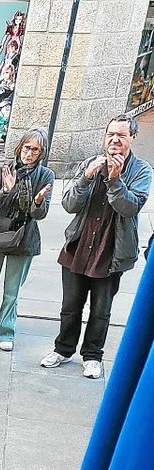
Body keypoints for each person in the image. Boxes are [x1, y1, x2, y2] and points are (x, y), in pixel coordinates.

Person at [41, 114, 152, 379]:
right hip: (78, 246)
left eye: (121, 135)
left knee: (101, 310)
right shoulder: (90, 163)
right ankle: (63, 349)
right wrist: (86, 178)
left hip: (111, 251)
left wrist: (114, 180)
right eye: (111, 134)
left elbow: (130, 207)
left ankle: (92, 356)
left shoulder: (141, 171)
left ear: (132, 139)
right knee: (70, 306)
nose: (114, 140)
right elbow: (69, 204)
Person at [0, 128, 55, 351]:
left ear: (41, 152)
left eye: (35, 150)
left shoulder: (45, 175)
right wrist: (6, 191)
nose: (29, 153)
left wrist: (36, 202)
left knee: (12, 290)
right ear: (20, 147)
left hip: (24, 236)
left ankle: (6, 331)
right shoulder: (2, 169)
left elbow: (40, 214)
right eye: (27, 147)